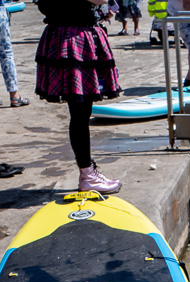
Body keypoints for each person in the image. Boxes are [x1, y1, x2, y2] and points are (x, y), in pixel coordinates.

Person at [34, 0, 123, 194]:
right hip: (75, 40)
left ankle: (87, 172)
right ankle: (88, 175)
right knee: (80, 113)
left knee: (79, 113)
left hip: (59, 35)